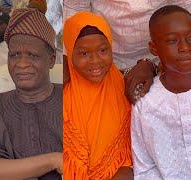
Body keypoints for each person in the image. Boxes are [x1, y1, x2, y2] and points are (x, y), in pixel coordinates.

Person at [63, 0, 191, 104]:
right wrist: (69, 59)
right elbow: (76, 10)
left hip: (169, 61)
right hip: (101, 62)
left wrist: (162, 65)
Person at [0, 7, 63, 180]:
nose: (21, 64)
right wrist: (53, 160)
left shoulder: (71, 99)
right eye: (14, 55)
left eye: (32, 55)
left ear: (51, 60)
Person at [132, 5, 191, 179]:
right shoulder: (145, 102)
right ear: (154, 48)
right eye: (172, 40)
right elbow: (144, 168)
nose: (185, 47)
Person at [63, 12, 132, 179]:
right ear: (70, 52)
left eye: (102, 50)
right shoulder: (62, 94)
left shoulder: (123, 87)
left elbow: (129, 159)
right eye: (84, 53)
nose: (95, 61)